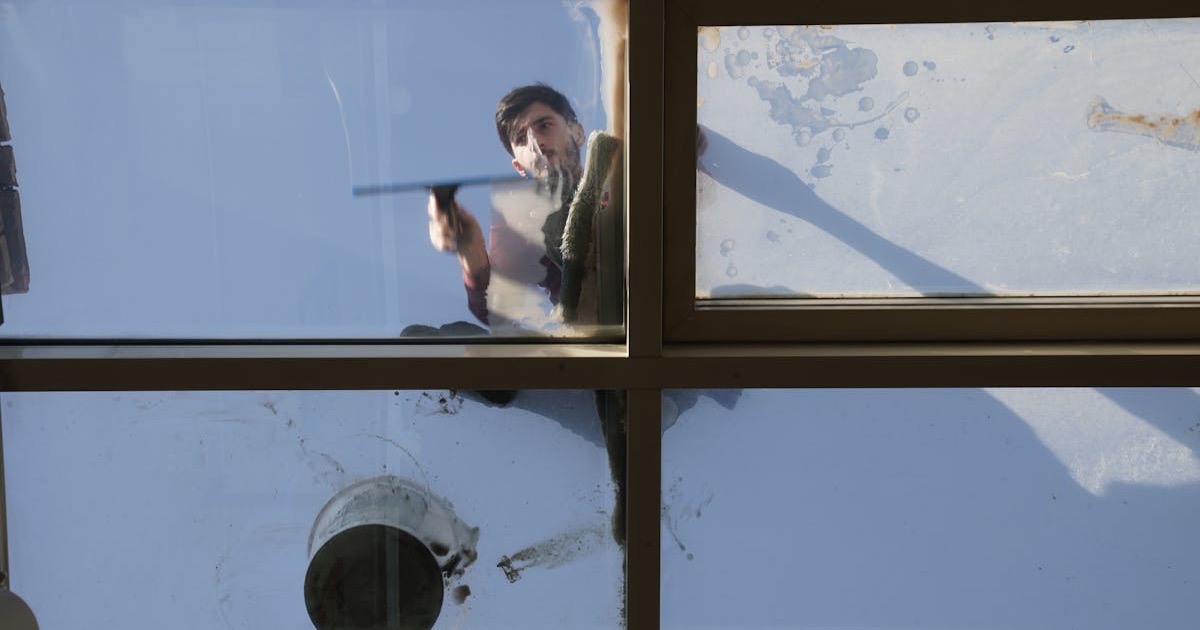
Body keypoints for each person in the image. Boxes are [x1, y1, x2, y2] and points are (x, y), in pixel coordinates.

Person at [425, 83, 622, 331]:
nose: (535, 142)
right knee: (431, 337)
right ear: (519, 167)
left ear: (578, 133)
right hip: (596, 334)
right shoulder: (521, 222)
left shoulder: (620, 173)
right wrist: (469, 248)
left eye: (544, 126)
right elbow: (497, 310)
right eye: (521, 138)